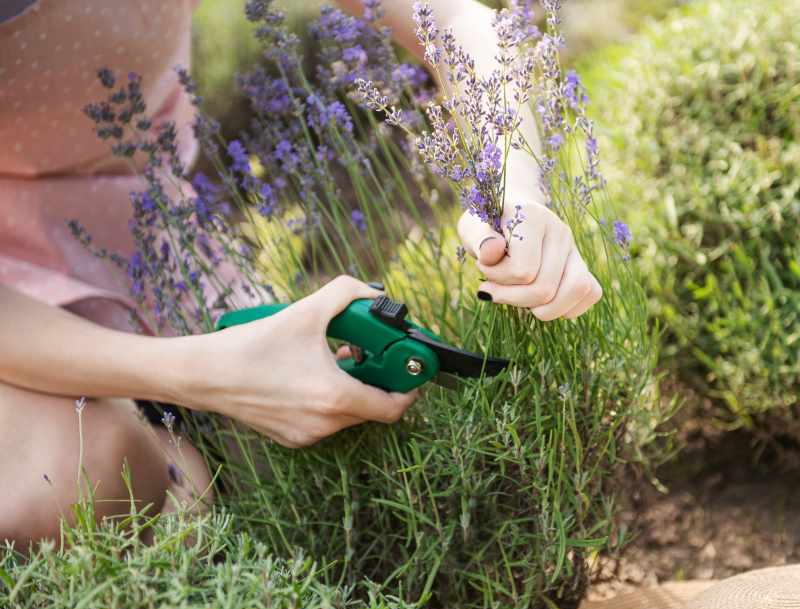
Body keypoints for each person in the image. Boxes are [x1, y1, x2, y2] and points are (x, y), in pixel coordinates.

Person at [0, 0, 602, 548]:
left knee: (297, 457)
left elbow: (452, 19)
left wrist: (516, 193)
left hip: (150, 232)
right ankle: (173, 467)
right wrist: (203, 373)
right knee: (58, 484)